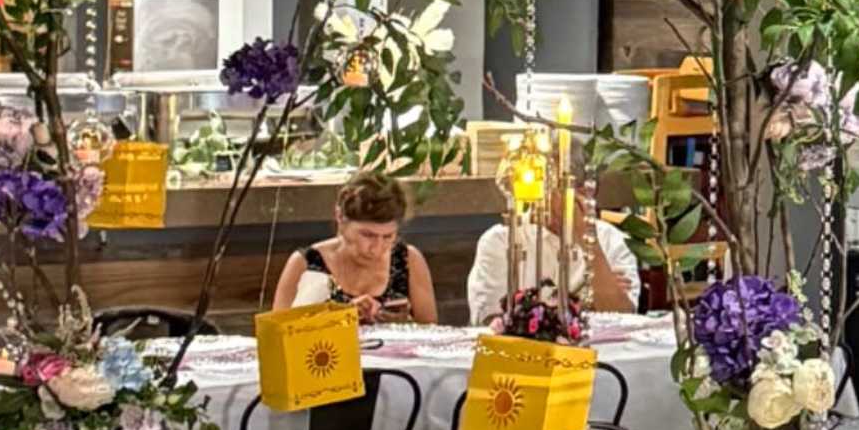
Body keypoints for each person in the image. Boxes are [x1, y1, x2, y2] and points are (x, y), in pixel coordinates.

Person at [273, 174, 441, 332]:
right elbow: (277, 334)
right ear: (340, 217)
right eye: (367, 235)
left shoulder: (408, 260)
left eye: (388, 236)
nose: (377, 248)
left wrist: (404, 325)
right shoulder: (306, 263)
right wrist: (341, 317)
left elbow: (432, 332)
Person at [460, 192, 639, 324]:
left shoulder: (611, 240)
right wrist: (586, 301)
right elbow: (492, 321)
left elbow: (622, 318)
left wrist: (587, 238)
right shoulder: (500, 241)